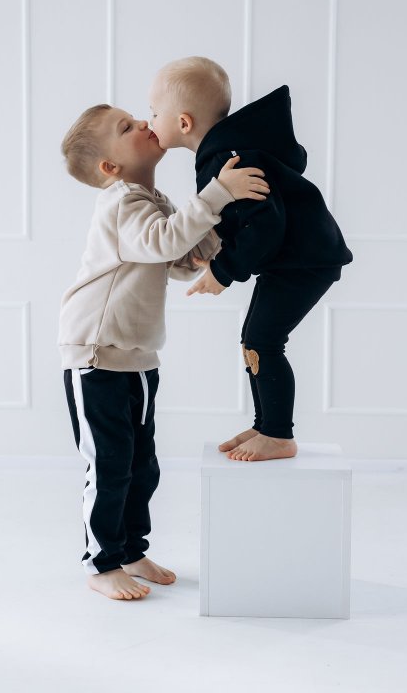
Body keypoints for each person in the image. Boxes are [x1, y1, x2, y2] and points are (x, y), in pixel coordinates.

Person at [57, 103, 269, 600]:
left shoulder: (152, 200)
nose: (143, 124)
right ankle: (101, 562)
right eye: (127, 127)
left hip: (136, 355)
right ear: (110, 166)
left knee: (141, 464)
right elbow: (162, 242)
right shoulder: (121, 202)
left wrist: (212, 242)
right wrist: (217, 193)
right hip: (95, 353)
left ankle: (131, 550)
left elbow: (175, 260)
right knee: (109, 464)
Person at [148, 56, 353, 462]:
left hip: (306, 261)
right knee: (254, 339)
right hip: (296, 259)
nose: (149, 121)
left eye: (155, 113)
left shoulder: (225, 160)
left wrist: (223, 272)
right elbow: (247, 222)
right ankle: (266, 425)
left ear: (184, 123)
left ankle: (278, 434)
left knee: (263, 340)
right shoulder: (226, 151)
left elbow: (266, 224)